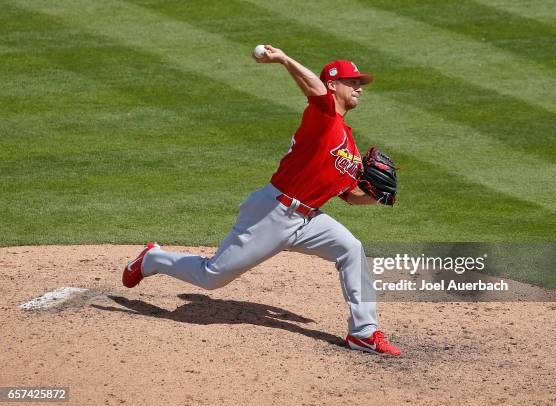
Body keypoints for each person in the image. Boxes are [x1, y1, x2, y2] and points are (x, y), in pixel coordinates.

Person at [122, 45, 400, 356]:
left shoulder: (347, 139)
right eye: (353, 82)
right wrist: (283, 59)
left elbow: (349, 196)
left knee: (351, 248)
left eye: (360, 82)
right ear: (333, 85)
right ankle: (152, 258)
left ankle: (363, 332)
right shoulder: (322, 117)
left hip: (308, 220)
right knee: (211, 277)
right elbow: (315, 91)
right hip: (273, 211)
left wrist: (376, 197)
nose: (359, 87)